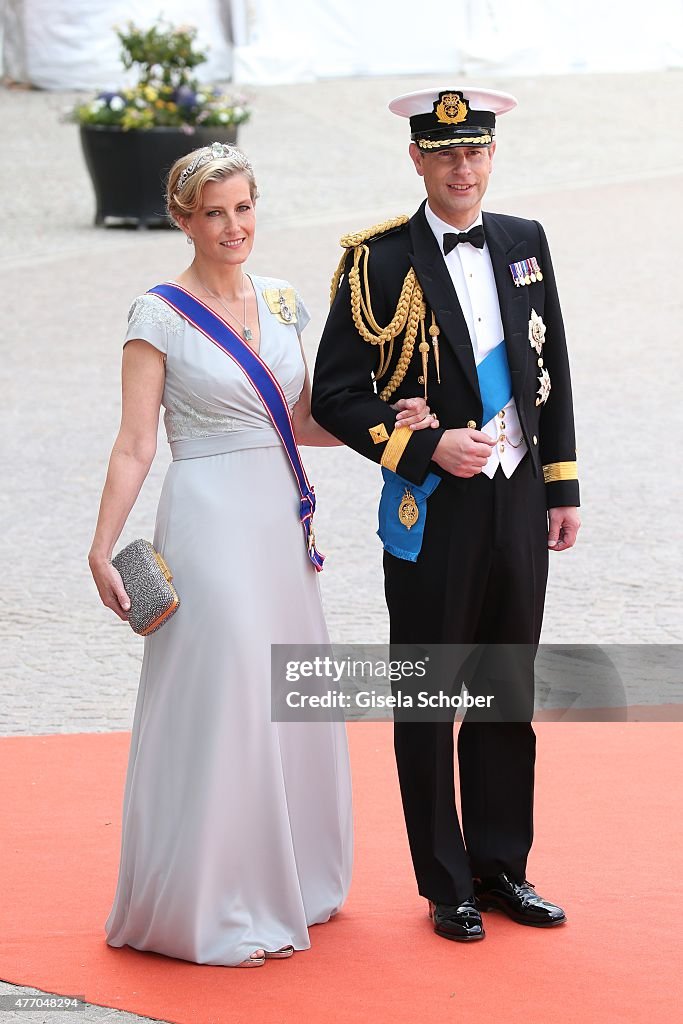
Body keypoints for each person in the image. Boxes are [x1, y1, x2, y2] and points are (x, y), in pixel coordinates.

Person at [88, 142, 436, 967]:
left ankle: (293, 877)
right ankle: (213, 900)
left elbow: (305, 420)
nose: (232, 226)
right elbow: (136, 444)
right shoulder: (157, 315)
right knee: (230, 692)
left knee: (283, 687)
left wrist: (391, 423)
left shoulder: (282, 302)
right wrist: (101, 547)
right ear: (182, 220)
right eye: (213, 212)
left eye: (243, 208)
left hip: (281, 520)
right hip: (208, 517)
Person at [311, 89, 581, 942]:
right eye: (445, 154)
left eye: (475, 153)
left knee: (506, 690)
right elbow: (338, 394)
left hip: (515, 495)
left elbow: (553, 368)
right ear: (417, 159)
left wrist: (560, 487)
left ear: (490, 157)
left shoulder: (523, 241)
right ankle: (445, 882)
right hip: (434, 506)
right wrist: (423, 450)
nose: (462, 168)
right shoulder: (376, 262)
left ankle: (503, 866)